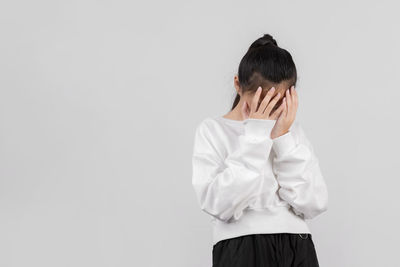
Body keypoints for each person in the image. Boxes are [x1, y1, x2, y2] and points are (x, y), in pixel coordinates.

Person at [191, 33, 328, 267]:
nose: (268, 114)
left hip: (298, 247)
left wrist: (282, 137)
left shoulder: (291, 132)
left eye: (276, 104)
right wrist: (255, 134)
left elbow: (314, 203)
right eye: (260, 103)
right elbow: (218, 205)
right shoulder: (213, 130)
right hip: (240, 249)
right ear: (238, 84)